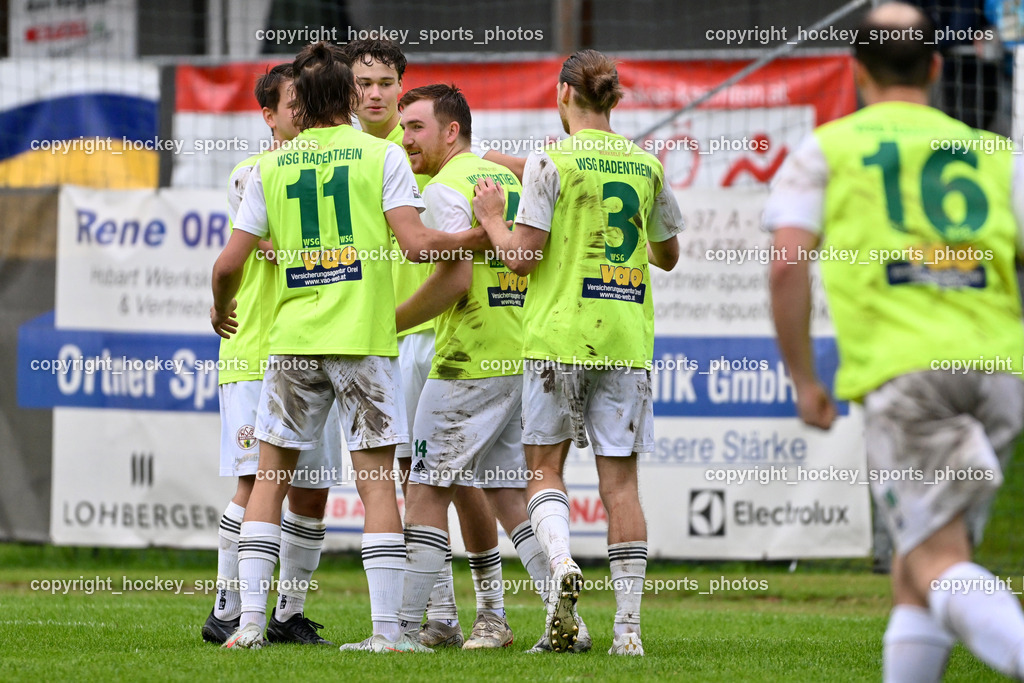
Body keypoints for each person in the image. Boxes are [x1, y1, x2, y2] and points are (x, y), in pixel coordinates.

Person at [765, 4, 1024, 680]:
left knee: (936, 561)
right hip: (999, 375)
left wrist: (804, 381)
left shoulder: (828, 148)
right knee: (917, 567)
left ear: (855, 72)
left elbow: (788, 262)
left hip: (911, 377)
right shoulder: (998, 156)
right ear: (937, 67)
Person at [210, 41, 487, 651]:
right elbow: (416, 246)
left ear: (303, 104)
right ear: (352, 98)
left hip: (290, 341)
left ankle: (250, 625)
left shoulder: (270, 167)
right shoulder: (378, 157)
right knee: (376, 484)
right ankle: (387, 632)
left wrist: (220, 302)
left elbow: (230, 260)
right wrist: (477, 236)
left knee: (270, 478)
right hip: (362, 340)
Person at [472, 49, 683, 656]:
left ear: (564, 93)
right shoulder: (646, 163)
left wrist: (491, 216)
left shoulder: (548, 160)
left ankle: (561, 562)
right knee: (621, 487)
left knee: (543, 471)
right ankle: (629, 633)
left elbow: (520, 256)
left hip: (557, 337)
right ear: (614, 99)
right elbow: (667, 255)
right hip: (624, 337)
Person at [342, 36, 521, 648]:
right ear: (348, 90)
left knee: (445, 475)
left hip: (427, 329)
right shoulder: (339, 151)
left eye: (383, 83)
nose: (373, 94)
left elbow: (493, 169)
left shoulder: (415, 147)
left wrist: (511, 193)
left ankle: (485, 611)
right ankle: (442, 615)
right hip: (385, 336)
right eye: (361, 83)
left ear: (400, 87)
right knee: (421, 472)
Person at [390, 83, 555, 651]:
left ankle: (405, 632)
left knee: (424, 488)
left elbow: (456, 279)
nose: (406, 138)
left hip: (469, 358)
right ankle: (565, 613)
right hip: (517, 353)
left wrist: (388, 323)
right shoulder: (505, 180)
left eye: (416, 127)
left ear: (450, 131)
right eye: (404, 127)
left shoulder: (443, 188)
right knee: (508, 492)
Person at [202, 63, 335, 647]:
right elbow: (276, 248)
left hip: (313, 348)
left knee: (312, 488)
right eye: (291, 104)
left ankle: (287, 613)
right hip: (257, 348)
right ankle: (227, 607)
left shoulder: (328, 168)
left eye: (308, 102)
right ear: (268, 115)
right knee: (255, 480)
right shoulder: (250, 173)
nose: (301, 113)